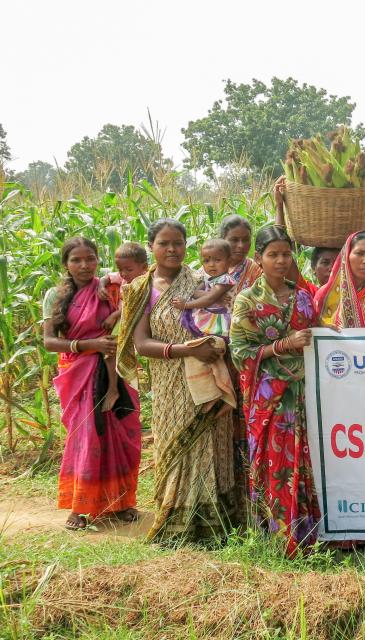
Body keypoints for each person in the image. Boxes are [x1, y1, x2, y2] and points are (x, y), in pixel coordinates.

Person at [117, 219, 244, 542]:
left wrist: (214, 347)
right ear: (152, 247)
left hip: (208, 376)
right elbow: (142, 344)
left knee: (212, 444)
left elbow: (225, 319)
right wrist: (186, 350)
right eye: (164, 243)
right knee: (177, 446)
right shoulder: (140, 289)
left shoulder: (202, 281)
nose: (172, 249)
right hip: (170, 378)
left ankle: (216, 524)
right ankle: (176, 519)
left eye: (178, 243)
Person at [230, 225, 324, 554]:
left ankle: (303, 533)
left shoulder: (301, 296)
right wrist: (284, 344)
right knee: (272, 465)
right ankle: (274, 537)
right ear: (260, 259)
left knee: (301, 460)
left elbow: (315, 334)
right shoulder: (248, 300)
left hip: (299, 393)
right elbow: (240, 352)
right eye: (273, 255)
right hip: (268, 397)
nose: (281, 260)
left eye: (286, 254)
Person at [42, 238, 142, 531]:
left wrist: (117, 312)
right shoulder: (54, 295)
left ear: (98, 260)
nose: (84, 266)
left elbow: (138, 291)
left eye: (90, 259)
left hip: (113, 371)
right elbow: (49, 342)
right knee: (84, 436)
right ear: (66, 264)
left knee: (120, 433)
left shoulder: (108, 288)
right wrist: (90, 345)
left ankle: (121, 502)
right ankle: (80, 506)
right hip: (78, 373)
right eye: (76, 260)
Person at [172, 238, 237, 417]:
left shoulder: (226, 279)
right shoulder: (208, 278)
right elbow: (197, 291)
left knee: (213, 356)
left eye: (217, 260)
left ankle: (227, 396)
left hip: (220, 323)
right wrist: (203, 294)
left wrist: (187, 304)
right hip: (210, 320)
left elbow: (207, 299)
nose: (211, 264)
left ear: (229, 261)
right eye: (206, 260)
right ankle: (219, 394)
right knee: (208, 359)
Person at [99, 241, 150, 332]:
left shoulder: (145, 283)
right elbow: (106, 278)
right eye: (120, 269)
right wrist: (101, 286)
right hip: (122, 319)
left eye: (129, 270)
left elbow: (133, 307)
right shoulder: (124, 278)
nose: (123, 273)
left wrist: (113, 316)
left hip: (137, 321)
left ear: (144, 267)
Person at [220, 215, 262, 294]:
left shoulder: (257, 272)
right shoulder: (209, 267)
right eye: (234, 240)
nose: (241, 245)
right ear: (222, 240)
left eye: (246, 240)